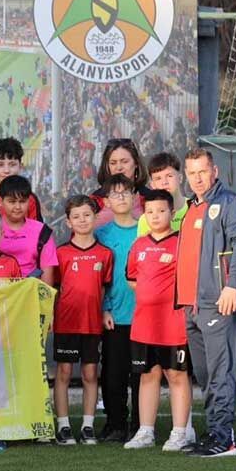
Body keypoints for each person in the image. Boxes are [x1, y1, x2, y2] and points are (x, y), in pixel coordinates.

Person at [177, 149, 236, 458]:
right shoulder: (191, 207)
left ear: (215, 171)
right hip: (190, 305)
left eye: (203, 171)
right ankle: (214, 432)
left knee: (220, 372)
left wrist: (231, 286)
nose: (197, 178)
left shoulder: (229, 202)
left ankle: (224, 438)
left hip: (217, 300)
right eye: (192, 173)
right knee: (205, 374)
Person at [124, 190, 192, 451]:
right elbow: (132, 279)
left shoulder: (181, 242)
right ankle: (146, 431)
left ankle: (180, 432)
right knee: (147, 375)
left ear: (172, 213)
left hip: (174, 323)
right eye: (150, 211)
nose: (155, 216)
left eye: (161, 211)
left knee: (176, 374)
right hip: (144, 324)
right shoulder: (139, 245)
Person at [51, 195, 114, 446]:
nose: (82, 220)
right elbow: (54, 289)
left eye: (87, 215)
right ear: (68, 222)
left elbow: (105, 288)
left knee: (90, 373)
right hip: (66, 323)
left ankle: (88, 426)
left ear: (95, 217)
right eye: (76, 216)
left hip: (91, 324)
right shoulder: (61, 253)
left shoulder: (105, 254)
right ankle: (63, 426)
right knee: (64, 372)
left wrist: (105, 312)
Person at [94, 174, 140, 442]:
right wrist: (104, 308)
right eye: (115, 194)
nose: (121, 198)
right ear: (107, 202)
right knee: (113, 375)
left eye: (126, 192)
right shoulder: (101, 235)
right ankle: (115, 424)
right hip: (114, 316)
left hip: (142, 316)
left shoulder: (145, 230)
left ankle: (140, 425)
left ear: (135, 197)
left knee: (141, 375)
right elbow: (97, 278)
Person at [0, 175, 57, 285]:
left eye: (22, 201)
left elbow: (47, 282)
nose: (17, 207)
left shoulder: (43, 232)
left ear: (29, 201)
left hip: (30, 293)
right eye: (12, 201)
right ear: (1, 201)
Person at [91, 138, 150, 219]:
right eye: (113, 163)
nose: (119, 167)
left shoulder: (150, 198)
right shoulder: (96, 200)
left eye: (124, 162)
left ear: (136, 163)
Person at [138, 152, 188, 236]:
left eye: (169, 176)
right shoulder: (146, 219)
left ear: (180, 178)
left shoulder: (194, 208)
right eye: (158, 178)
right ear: (152, 185)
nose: (164, 182)